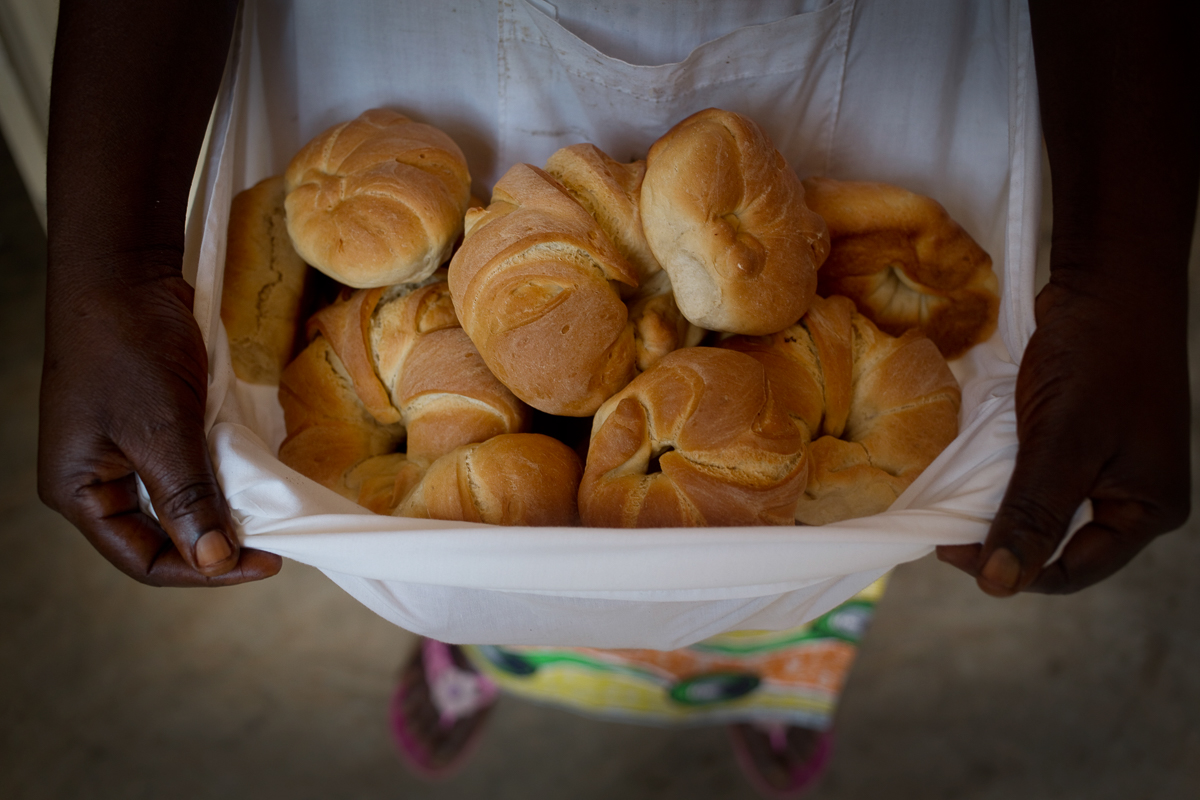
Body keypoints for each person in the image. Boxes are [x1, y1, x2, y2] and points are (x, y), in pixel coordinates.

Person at [38, 0, 1197, 796]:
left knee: (796, 572)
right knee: (487, 575)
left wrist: (1123, 271)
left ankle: (766, 678)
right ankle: (484, 655)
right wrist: (110, 266)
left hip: (842, 90)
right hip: (435, 99)